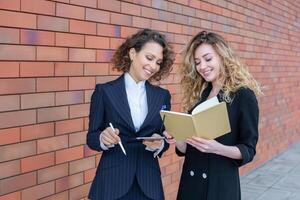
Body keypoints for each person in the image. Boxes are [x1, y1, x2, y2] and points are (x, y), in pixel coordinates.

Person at [165, 31, 262, 200]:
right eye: (197, 62)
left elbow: (248, 149)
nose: (202, 66)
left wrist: (217, 148)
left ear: (222, 56)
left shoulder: (243, 95)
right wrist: (178, 137)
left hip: (219, 185)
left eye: (208, 59)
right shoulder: (200, 94)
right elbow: (187, 148)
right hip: (191, 182)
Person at [86, 29, 174, 200]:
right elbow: (92, 137)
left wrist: (160, 145)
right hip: (112, 182)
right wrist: (103, 139)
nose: (153, 66)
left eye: (158, 62)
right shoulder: (104, 92)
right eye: (149, 58)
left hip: (149, 184)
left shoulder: (163, 96)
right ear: (133, 53)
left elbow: (165, 137)